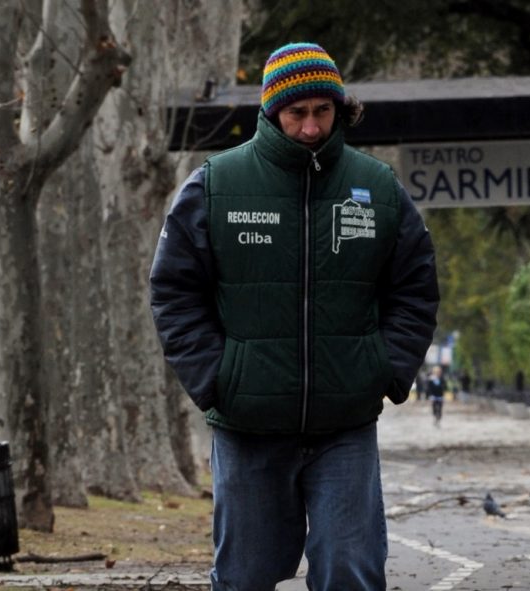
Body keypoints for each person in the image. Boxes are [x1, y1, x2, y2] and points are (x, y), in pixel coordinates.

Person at [150, 42, 439, 591]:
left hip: (344, 427)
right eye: (297, 113)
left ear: (339, 108)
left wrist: (384, 369)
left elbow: (416, 288)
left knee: (350, 572)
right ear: (271, 111)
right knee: (244, 578)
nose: (311, 127)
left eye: (323, 111)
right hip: (246, 426)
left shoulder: (378, 190)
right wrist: (218, 379)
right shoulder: (215, 185)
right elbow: (173, 290)